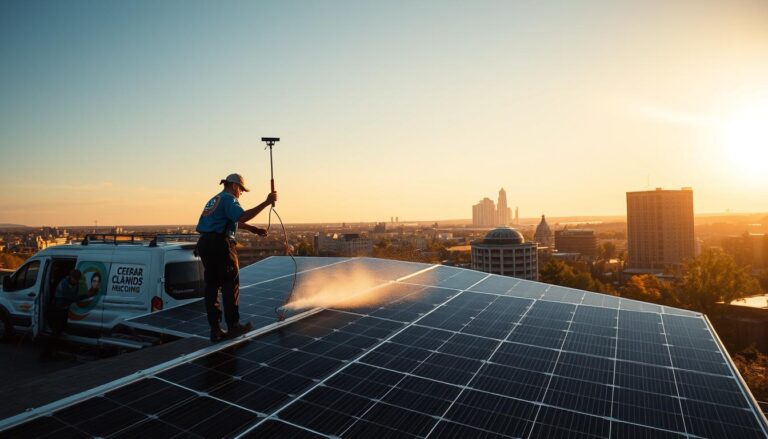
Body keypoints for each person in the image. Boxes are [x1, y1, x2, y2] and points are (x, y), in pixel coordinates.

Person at [196, 173, 276, 342]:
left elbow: (233, 221)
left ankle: (215, 330)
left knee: (212, 287)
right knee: (230, 284)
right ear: (234, 186)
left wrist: (254, 230)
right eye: (241, 190)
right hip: (221, 245)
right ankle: (233, 326)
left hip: (205, 244)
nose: (241, 193)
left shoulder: (214, 200)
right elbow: (241, 216)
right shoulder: (229, 198)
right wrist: (266, 202)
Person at [41, 269, 91, 360]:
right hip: (57, 310)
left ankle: (53, 352)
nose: (75, 281)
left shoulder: (75, 284)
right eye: (74, 279)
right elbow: (70, 298)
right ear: (70, 277)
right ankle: (46, 354)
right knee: (55, 333)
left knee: (59, 332)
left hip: (64, 309)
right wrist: (85, 295)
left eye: (77, 279)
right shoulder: (63, 284)